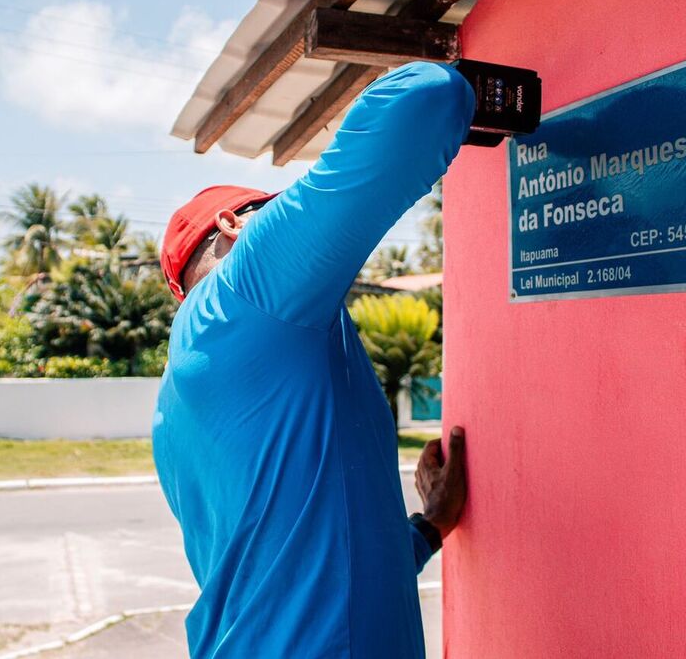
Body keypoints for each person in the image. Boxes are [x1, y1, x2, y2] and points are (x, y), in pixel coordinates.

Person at [154, 61, 473, 658]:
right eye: (276, 209)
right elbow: (428, 97)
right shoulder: (243, 292)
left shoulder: (176, 404)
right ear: (232, 225)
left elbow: (311, 567)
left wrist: (430, 526)